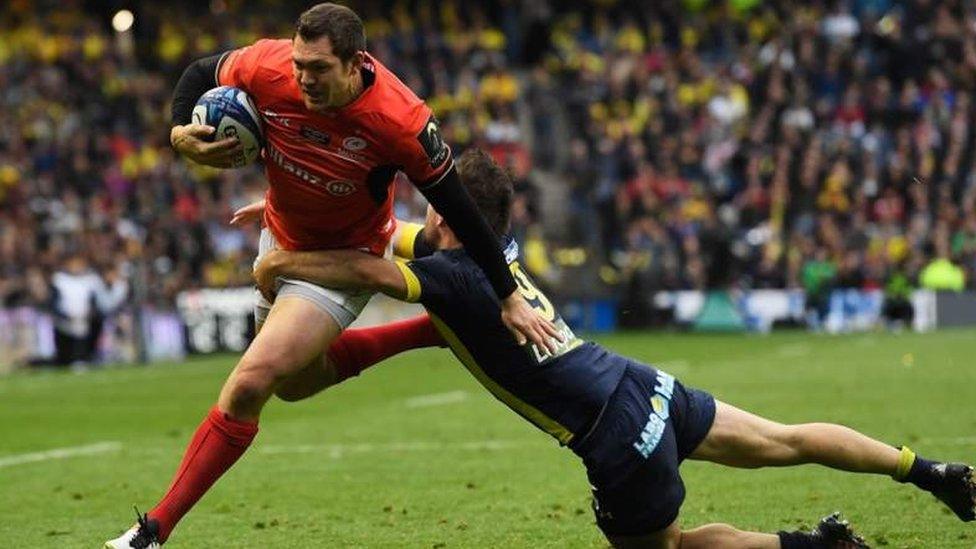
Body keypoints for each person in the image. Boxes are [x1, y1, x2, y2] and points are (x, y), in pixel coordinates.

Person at [254, 149, 975, 548]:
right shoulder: (497, 251)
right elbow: (384, 235)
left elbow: (367, 267)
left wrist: (283, 258)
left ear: (446, 218)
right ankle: (926, 469)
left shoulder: (452, 277)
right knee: (785, 439)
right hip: (642, 382)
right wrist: (300, 213)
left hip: (614, 431)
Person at [106, 5, 559, 547]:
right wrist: (180, 130)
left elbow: (459, 210)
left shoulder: (401, 120)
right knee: (294, 385)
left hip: (343, 260)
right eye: (299, 64)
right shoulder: (270, 67)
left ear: (355, 64)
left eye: (318, 69)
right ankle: (422, 332)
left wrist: (507, 295)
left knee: (249, 383)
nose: (303, 78)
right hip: (279, 231)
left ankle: (152, 531)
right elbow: (200, 73)